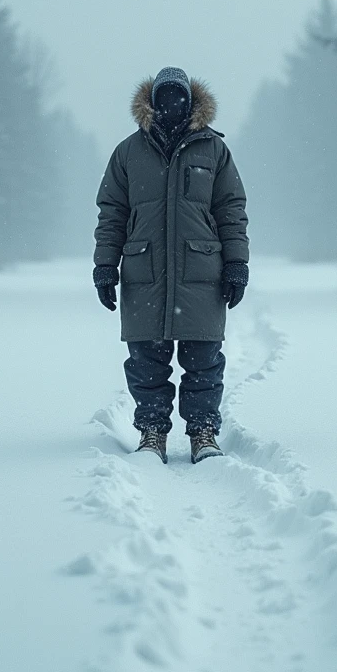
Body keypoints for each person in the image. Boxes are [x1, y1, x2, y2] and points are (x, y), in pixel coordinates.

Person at [92, 66, 250, 464]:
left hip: (201, 273)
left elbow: (231, 210)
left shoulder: (214, 150)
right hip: (144, 274)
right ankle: (151, 433)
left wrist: (237, 264)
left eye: (179, 97)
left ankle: (202, 433)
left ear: (192, 101)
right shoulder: (128, 152)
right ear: (152, 102)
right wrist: (105, 266)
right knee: (146, 361)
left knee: (204, 360)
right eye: (164, 98)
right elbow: (111, 213)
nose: (172, 105)